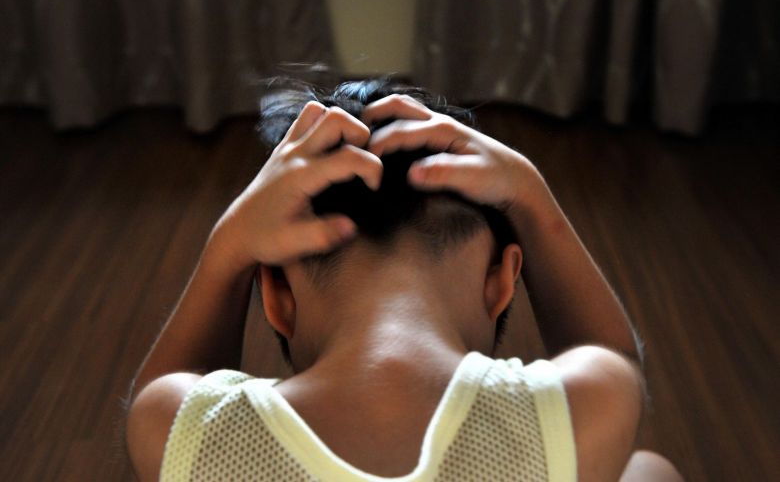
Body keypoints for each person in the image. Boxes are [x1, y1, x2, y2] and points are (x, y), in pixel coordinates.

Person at [125, 80, 684, 481]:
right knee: (646, 471)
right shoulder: (587, 407)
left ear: (277, 298)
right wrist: (532, 198)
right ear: (501, 282)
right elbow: (615, 362)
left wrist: (227, 249)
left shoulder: (187, 433)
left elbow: (165, 395)